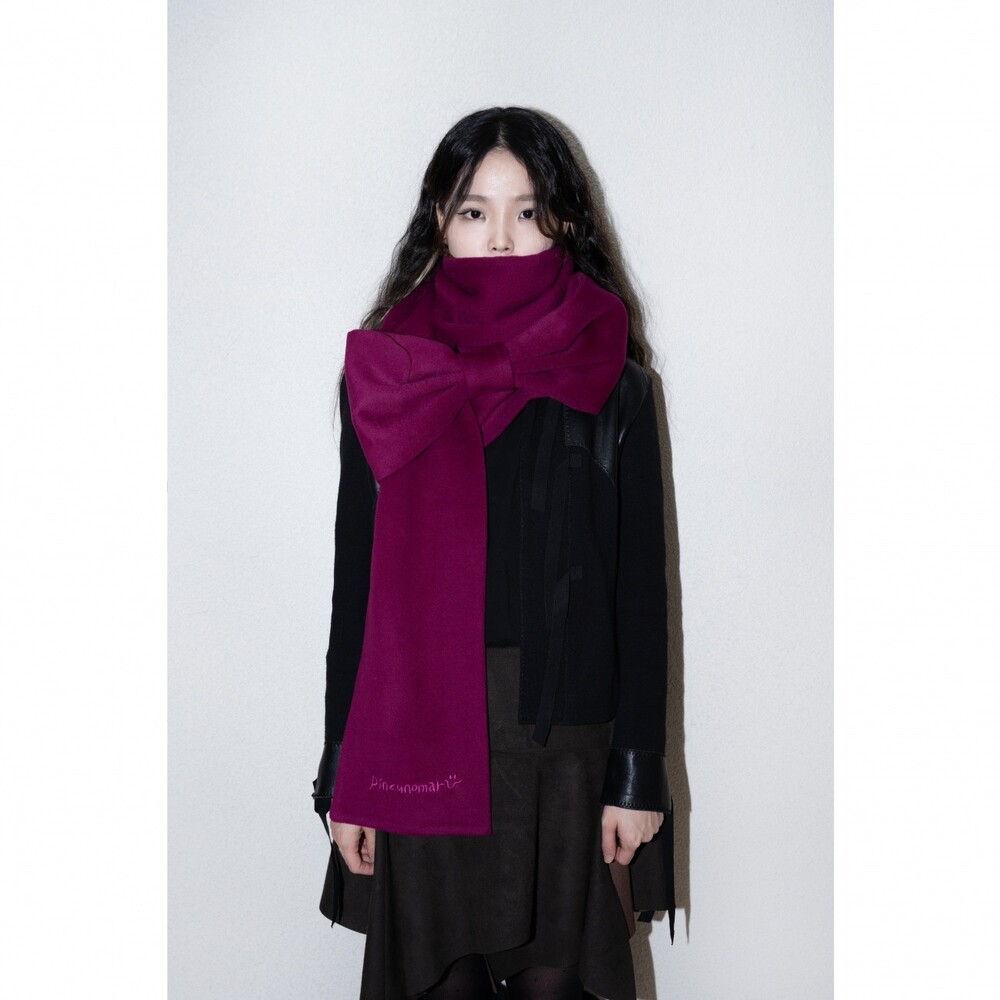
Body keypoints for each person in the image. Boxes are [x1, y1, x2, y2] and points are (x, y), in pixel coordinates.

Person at [312, 106, 674, 1000]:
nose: (503, 236)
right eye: (476, 211)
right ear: (440, 219)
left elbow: (641, 599)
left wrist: (636, 775)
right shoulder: (390, 380)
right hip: (420, 736)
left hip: (567, 751)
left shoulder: (616, 387)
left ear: (566, 223)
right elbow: (355, 593)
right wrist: (343, 777)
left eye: (529, 210)